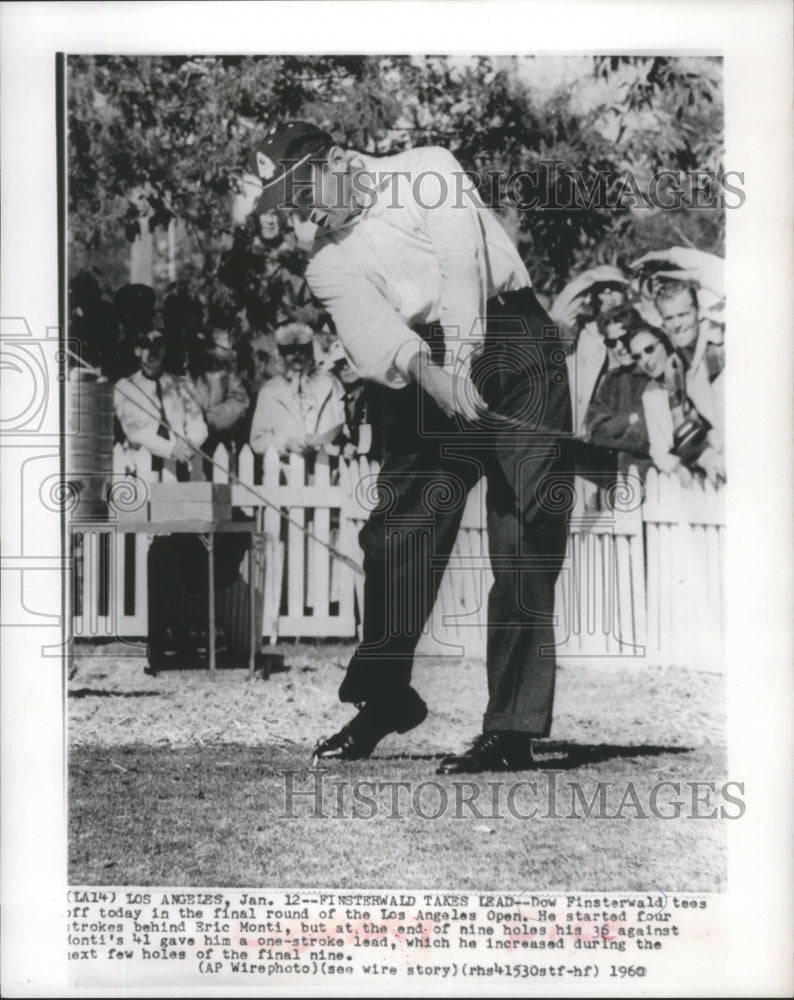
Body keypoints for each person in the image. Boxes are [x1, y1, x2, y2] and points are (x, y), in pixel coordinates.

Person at [242, 120, 572, 773]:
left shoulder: (427, 165)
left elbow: (461, 262)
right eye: (287, 203)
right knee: (398, 532)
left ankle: (511, 728)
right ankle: (386, 696)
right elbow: (377, 335)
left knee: (523, 536)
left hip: (513, 343)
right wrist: (437, 376)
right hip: (428, 368)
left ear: (336, 158)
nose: (301, 210)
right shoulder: (326, 262)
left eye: (301, 189)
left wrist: (469, 359)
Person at [628, 324, 725, 487]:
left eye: (649, 349)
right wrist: (679, 470)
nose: (645, 360)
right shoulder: (650, 393)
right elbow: (659, 452)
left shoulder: (694, 373)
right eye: (637, 356)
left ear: (664, 342)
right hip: (695, 476)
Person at [114, 328, 207, 483]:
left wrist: (190, 443)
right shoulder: (125, 387)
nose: (153, 351)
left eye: (159, 345)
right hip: (142, 468)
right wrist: (170, 449)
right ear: (138, 350)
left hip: (178, 467)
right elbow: (135, 431)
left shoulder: (180, 385)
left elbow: (197, 423)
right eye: (147, 346)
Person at [248, 321, 345, 458]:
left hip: (325, 466)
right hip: (284, 471)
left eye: (303, 349)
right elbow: (257, 441)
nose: (297, 355)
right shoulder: (270, 391)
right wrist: (285, 444)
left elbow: (343, 427)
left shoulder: (330, 384)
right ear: (282, 354)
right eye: (290, 351)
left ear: (310, 352)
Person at [581, 305, 651, 476]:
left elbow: (643, 439)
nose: (619, 347)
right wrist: (629, 419)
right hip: (619, 473)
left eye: (624, 338)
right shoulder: (613, 379)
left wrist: (611, 429)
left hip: (653, 472)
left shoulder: (653, 372)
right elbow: (593, 427)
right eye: (612, 342)